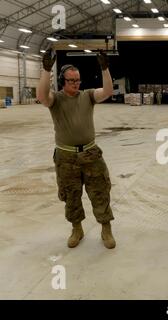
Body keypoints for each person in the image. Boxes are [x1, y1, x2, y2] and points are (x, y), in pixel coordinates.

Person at [36, 48, 116, 249]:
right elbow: (41, 96)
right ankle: (77, 229)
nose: (76, 83)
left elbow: (107, 91)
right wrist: (46, 70)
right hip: (66, 157)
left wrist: (104, 68)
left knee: (100, 191)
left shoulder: (87, 95)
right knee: (71, 195)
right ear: (63, 81)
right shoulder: (56, 99)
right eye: (72, 80)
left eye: (78, 80)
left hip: (91, 153)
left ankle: (106, 229)